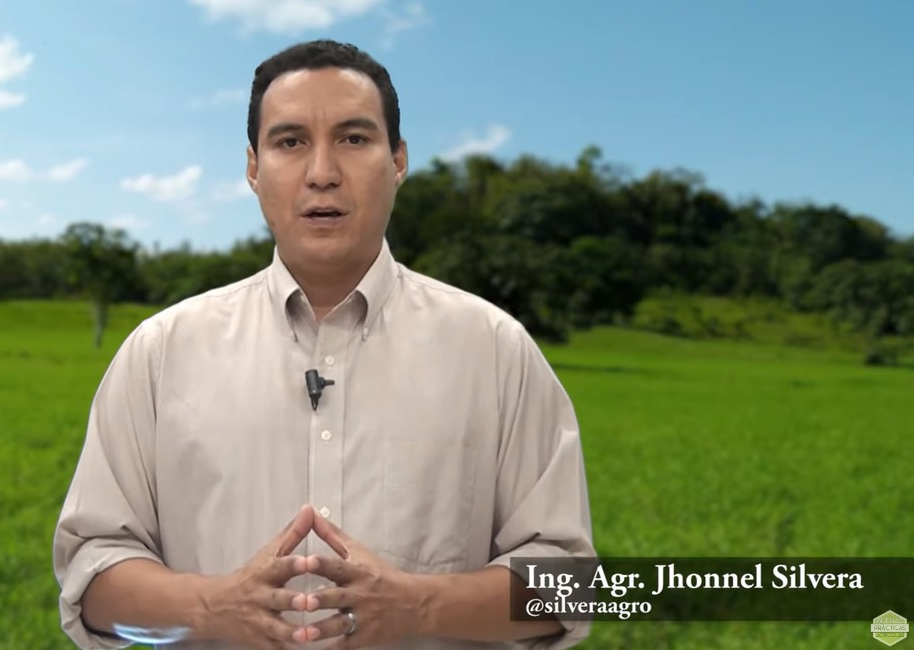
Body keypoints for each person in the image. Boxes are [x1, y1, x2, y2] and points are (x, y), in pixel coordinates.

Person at [53, 39, 595, 649]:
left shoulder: (494, 350)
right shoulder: (161, 352)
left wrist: (421, 607)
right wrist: (210, 608)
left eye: (353, 138)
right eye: (290, 142)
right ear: (253, 168)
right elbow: (91, 571)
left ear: (398, 160)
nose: (322, 172)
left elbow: (575, 584)